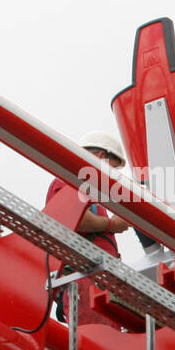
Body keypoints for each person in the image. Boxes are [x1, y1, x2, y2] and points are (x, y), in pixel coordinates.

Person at [44, 131, 130, 326]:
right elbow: (73, 218)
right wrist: (112, 225)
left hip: (100, 279)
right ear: (101, 157)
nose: (113, 176)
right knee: (95, 339)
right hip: (84, 278)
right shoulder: (69, 179)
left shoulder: (90, 192)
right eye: (113, 169)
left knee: (108, 338)